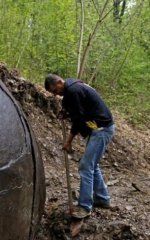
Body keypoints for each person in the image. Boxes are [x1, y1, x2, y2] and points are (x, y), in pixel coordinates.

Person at [44, 74, 115, 219]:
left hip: (100, 130)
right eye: (53, 93)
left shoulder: (73, 91)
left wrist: (69, 141)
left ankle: (84, 206)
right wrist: (66, 112)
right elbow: (78, 110)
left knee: (85, 166)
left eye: (55, 91)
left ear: (59, 82)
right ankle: (102, 198)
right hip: (98, 128)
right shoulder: (73, 88)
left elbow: (78, 119)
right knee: (92, 165)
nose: (56, 94)